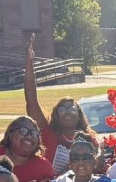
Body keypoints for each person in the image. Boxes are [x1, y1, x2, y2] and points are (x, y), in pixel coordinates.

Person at [25, 36, 97, 173]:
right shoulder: (48, 133)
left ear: (79, 114)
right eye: (62, 109)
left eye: (72, 108)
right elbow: (31, 103)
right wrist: (29, 64)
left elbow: (99, 163)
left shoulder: (89, 138)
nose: (67, 112)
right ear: (55, 115)